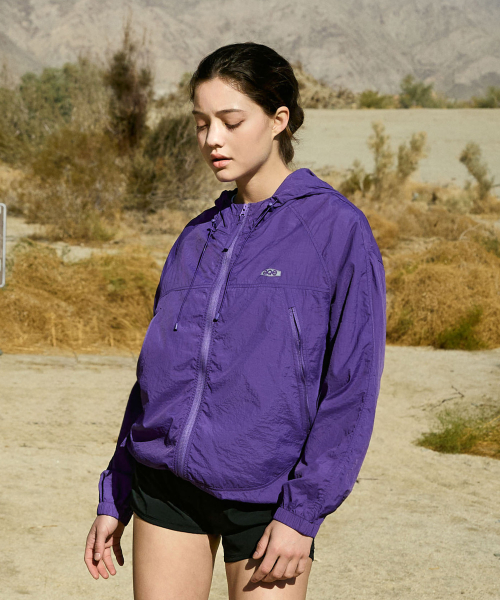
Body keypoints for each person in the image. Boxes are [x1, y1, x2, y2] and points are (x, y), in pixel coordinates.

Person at [84, 41, 387, 599]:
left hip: (269, 498)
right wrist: (118, 488)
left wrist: (303, 513)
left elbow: (352, 386)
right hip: (166, 487)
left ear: (279, 120)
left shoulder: (336, 230)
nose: (212, 140)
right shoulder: (197, 235)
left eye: (230, 121)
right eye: (201, 124)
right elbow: (156, 376)